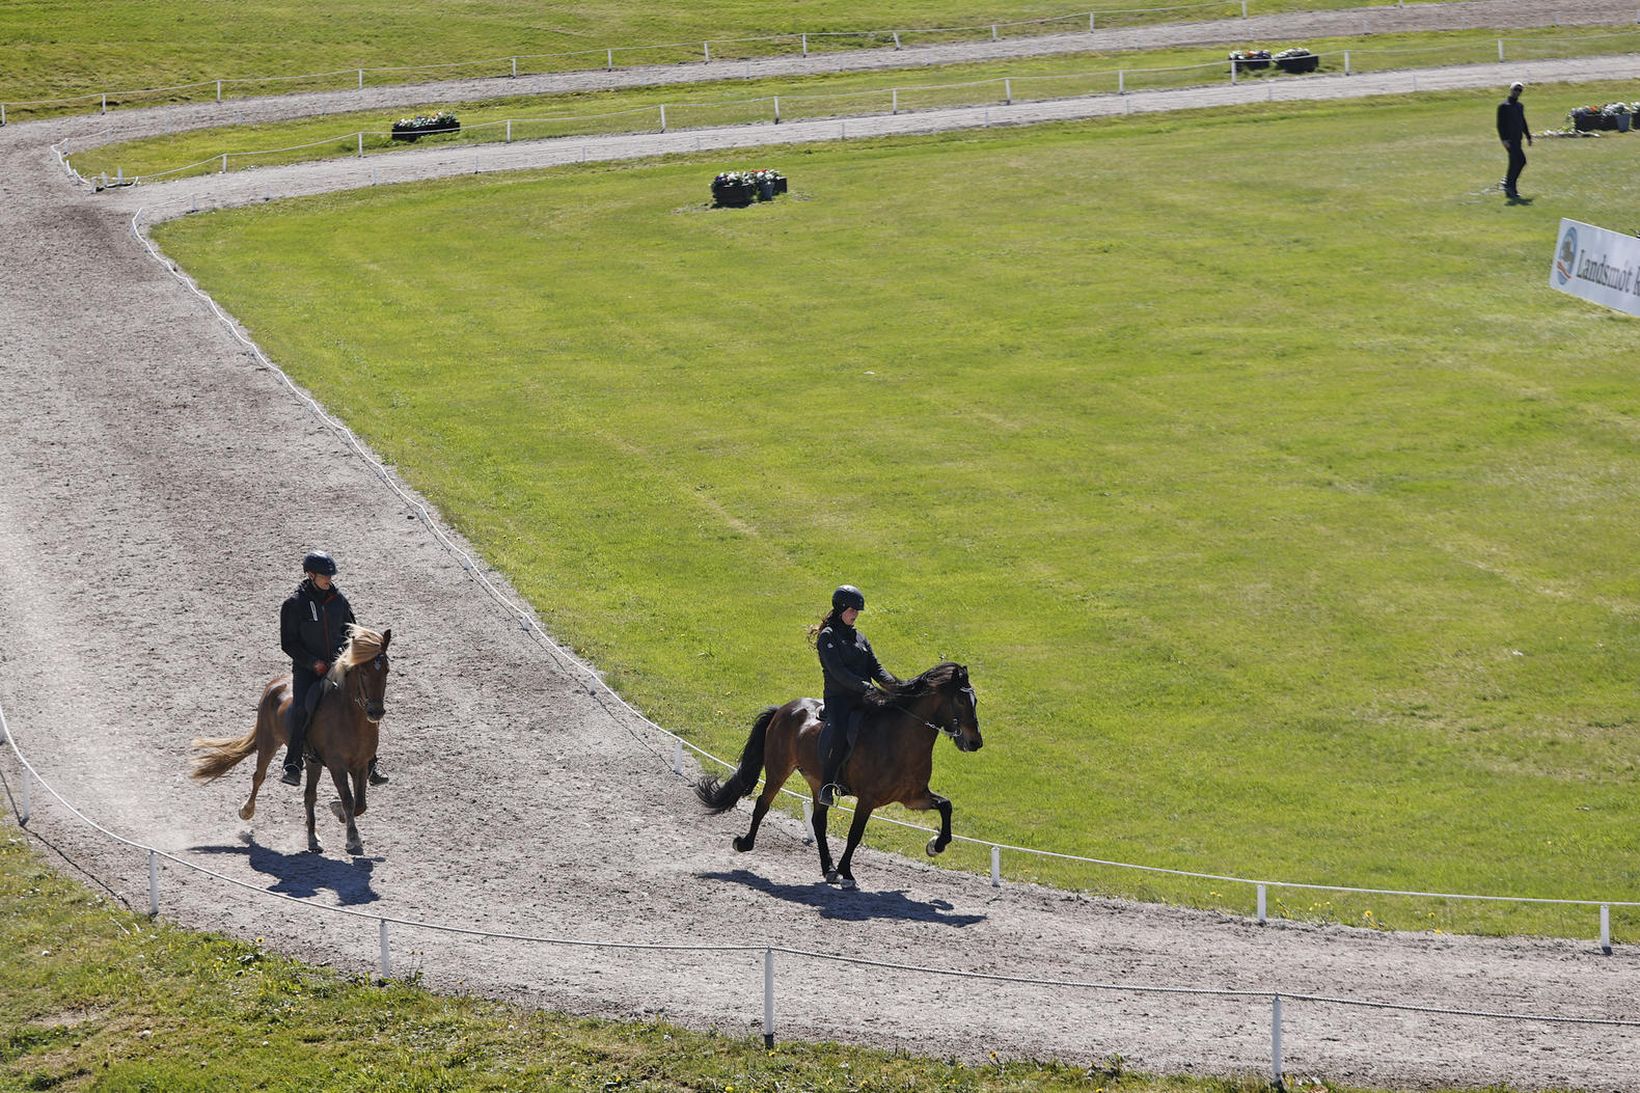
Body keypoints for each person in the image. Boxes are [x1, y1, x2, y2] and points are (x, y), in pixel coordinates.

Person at [278, 551, 387, 786]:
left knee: (365, 700)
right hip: (309, 669)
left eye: (330, 575)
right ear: (310, 575)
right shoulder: (294, 605)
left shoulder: (339, 600)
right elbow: (288, 643)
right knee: (302, 708)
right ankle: (293, 762)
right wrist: (311, 663)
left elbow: (351, 631)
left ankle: (372, 762)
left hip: (339, 665)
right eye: (324, 575)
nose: (329, 579)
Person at [812, 584, 898, 807]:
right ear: (840, 608)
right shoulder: (828, 637)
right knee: (840, 732)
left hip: (863, 697)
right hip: (839, 699)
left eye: (857, 611)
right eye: (852, 610)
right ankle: (827, 784)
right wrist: (865, 687)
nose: (855, 615)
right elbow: (838, 673)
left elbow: (875, 667)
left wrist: (895, 686)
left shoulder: (860, 637)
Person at [1497, 82, 1532, 200]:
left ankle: (1509, 186)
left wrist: (1528, 136)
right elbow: (1500, 125)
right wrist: (1503, 139)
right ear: (1511, 90)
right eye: (1516, 89)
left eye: (1520, 90)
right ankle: (1510, 186)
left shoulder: (1519, 106)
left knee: (1519, 162)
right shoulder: (1503, 106)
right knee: (1518, 161)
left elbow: (1523, 122)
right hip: (1509, 141)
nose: (1517, 92)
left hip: (1518, 139)